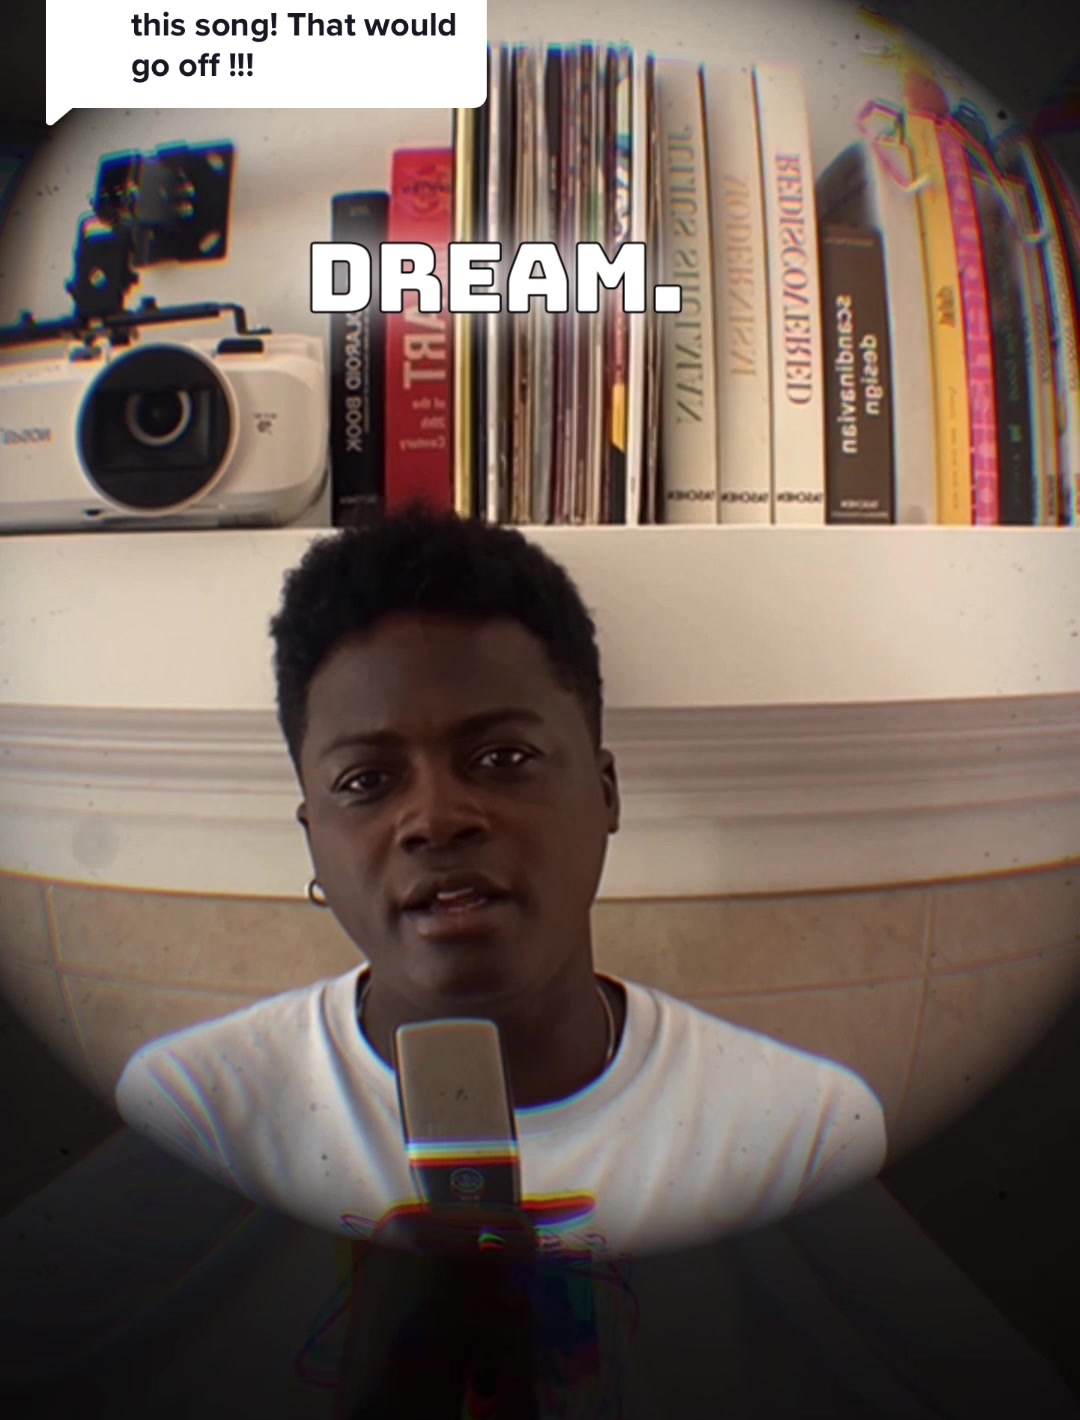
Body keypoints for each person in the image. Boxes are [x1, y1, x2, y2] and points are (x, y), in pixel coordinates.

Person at [114, 500, 886, 1255]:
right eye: (366, 781)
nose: (436, 819)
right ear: (312, 838)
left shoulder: (797, 1134)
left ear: (605, 795)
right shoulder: (199, 1116)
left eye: (503, 758)